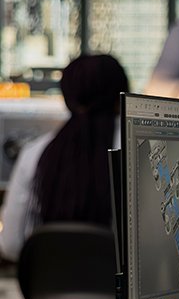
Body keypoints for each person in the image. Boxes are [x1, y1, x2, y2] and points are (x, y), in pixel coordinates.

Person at [0, 54, 128, 262]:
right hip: (117, 293)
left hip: (47, 292)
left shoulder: (35, 154)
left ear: (67, 98)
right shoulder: (141, 150)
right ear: (121, 94)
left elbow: (11, 244)